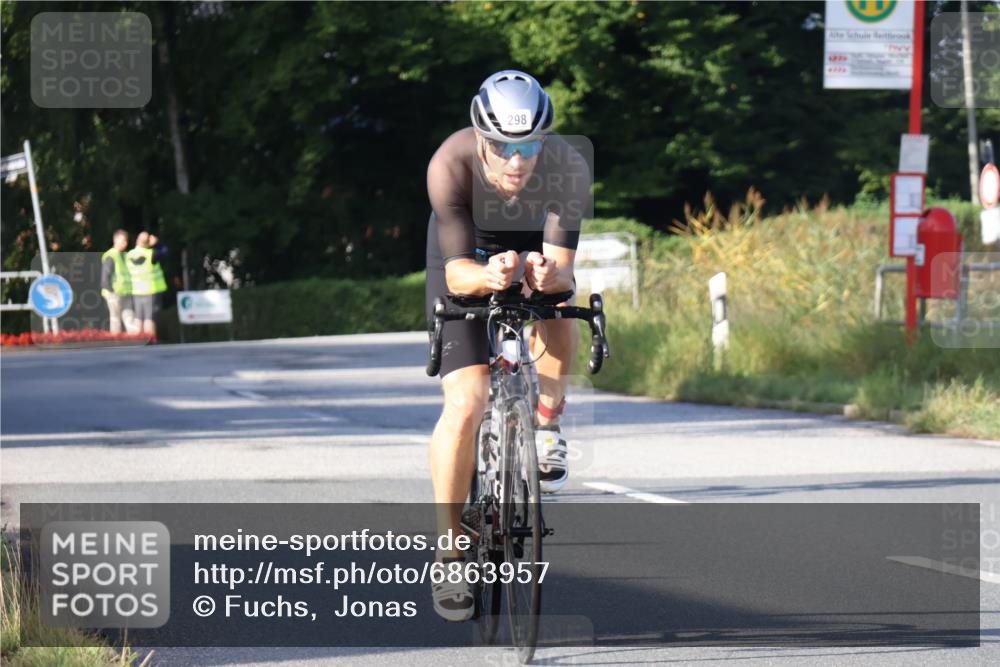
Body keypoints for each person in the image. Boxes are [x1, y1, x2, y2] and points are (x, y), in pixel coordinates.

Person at [425, 70, 591, 621]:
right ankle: (450, 553)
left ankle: (546, 423)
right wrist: (488, 275)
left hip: (531, 245)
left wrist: (545, 274)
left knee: (561, 305)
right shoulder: (449, 165)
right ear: (480, 139)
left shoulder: (569, 166)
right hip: (465, 253)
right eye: (501, 147)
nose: (516, 160)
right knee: (468, 401)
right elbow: (456, 278)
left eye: (528, 146)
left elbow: (563, 268)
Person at [127, 231, 168, 339]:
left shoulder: (129, 255)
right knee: (149, 318)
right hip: (150, 291)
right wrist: (157, 243)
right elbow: (165, 252)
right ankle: (149, 341)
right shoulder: (151, 254)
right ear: (148, 243)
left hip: (136, 291)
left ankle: (136, 341)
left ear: (137, 241)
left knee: (138, 318)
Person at [100, 229, 135, 334]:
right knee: (115, 319)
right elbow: (105, 276)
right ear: (115, 241)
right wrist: (111, 292)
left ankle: (134, 342)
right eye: (123, 241)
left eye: (126, 241)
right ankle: (116, 345)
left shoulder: (124, 255)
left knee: (129, 317)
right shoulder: (111, 255)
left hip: (125, 292)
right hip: (113, 293)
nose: (125, 243)